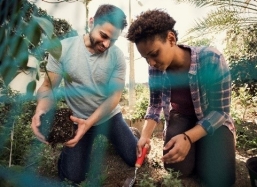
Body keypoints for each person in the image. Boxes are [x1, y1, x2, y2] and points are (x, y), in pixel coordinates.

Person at [31, 4, 140, 185]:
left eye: (112, 40)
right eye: (103, 36)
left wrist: (89, 123)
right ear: (91, 23)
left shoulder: (118, 57)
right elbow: (48, 86)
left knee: (132, 157)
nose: (106, 44)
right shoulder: (63, 49)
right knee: (73, 177)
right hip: (78, 118)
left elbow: (114, 97)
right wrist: (40, 111)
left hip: (109, 116)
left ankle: (128, 133)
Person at [127, 9, 236, 187]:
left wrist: (188, 138)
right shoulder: (155, 69)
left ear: (171, 39)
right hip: (182, 117)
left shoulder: (212, 59)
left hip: (211, 119)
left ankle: (203, 148)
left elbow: (221, 112)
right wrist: (144, 137)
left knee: (219, 178)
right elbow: (154, 105)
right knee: (176, 168)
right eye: (146, 58)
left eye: (154, 54)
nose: (151, 63)